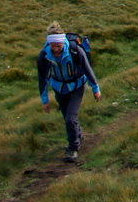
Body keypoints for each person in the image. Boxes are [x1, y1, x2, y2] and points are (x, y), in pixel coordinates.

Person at [37, 22, 101, 162]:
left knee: (70, 119)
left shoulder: (75, 50)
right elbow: (42, 78)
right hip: (59, 88)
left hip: (77, 86)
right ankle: (78, 135)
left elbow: (87, 69)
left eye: (58, 46)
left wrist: (95, 89)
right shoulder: (44, 55)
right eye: (52, 47)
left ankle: (73, 148)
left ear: (63, 43)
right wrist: (44, 100)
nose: (55, 50)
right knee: (67, 117)